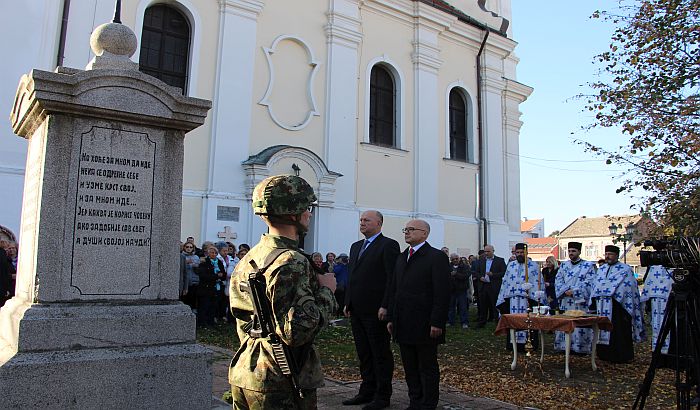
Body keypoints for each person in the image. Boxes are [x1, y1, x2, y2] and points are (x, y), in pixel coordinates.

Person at [229, 175, 337, 409]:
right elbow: (296, 332)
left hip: (247, 370)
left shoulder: (251, 257)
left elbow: (243, 319)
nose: (310, 213)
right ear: (293, 213)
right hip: (280, 378)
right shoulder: (291, 261)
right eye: (307, 207)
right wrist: (328, 291)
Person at [384, 219, 450, 410]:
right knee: (410, 366)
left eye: (412, 229)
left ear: (425, 234)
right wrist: (391, 317)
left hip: (425, 322)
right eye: (406, 229)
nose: (407, 232)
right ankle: (415, 401)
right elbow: (394, 288)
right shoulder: (402, 257)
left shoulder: (435, 257)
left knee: (426, 365)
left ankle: (428, 403)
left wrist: (437, 321)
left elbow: (442, 292)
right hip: (403, 321)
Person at [343, 210, 399, 410]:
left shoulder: (388, 245)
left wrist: (386, 305)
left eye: (366, 220)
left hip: (377, 310)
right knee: (364, 353)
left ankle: (382, 396)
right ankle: (366, 391)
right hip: (357, 309)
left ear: (379, 223)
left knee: (380, 353)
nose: (362, 223)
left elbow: (391, 278)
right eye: (361, 220)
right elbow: (353, 276)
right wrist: (348, 302)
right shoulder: (356, 246)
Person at [589, 245, 645, 363]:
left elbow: (628, 287)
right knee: (601, 328)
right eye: (606, 254)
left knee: (618, 330)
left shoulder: (625, 269)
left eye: (610, 254)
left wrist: (612, 292)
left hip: (618, 306)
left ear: (617, 255)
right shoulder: (602, 269)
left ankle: (620, 355)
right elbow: (596, 284)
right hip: (602, 304)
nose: (608, 256)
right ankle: (603, 354)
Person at [496, 243, 546, 348]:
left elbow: (538, 283)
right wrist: (504, 296)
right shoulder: (511, 265)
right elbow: (506, 282)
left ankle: (529, 344)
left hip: (528, 299)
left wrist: (531, 289)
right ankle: (513, 345)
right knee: (513, 320)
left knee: (529, 321)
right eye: (517, 252)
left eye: (521, 252)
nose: (519, 254)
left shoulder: (534, 266)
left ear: (526, 252)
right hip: (513, 299)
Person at [554, 242, 596, 353]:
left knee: (578, 324)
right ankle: (563, 347)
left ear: (579, 252)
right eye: (569, 251)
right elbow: (558, 280)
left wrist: (574, 291)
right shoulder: (564, 265)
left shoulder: (588, 266)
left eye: (574, 251)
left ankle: (580, 348)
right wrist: (564, 291)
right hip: (565, 300)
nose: (571, 253)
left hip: (579, 302)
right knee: (565, 322)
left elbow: (590, 283)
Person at [640, 264, 672, 353]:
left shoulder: (676, 267)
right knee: (656, 325)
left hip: (671, 302)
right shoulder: (653, 268)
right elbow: (647, 282)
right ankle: (658, 353)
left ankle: (669, 354)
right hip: (655, 303)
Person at [474, 245, 507, 328]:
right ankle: (481, 322)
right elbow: (476, 272)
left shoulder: (500, 260)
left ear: (493, 251)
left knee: (495, 305)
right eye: (485, 251)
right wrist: (480, 277)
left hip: (494, 286)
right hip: (483, 286)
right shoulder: (481, 260)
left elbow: (504, 272)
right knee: (482, 305)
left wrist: (493, 275)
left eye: (488, 251)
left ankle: (498, 323)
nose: (486, 253)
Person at [197, 246, 225, 327]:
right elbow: (203, 275)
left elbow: (223, 273)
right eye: (212, 252)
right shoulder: (204, 262)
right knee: (204, 306)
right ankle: (202, 323)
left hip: (216, 288)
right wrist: (216, 276)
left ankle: (211, 322)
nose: (214, 254)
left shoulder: (219, 262)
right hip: (206, 288)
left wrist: (221, 275)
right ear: (208, 253)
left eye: (215, 253)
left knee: (213, 306)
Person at [447, 253, 471, 329]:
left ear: (459, 258)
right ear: (451, 260)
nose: (455, 260)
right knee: (451, 307)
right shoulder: (448, 267)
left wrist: (456, 274)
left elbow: (466, 276)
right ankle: (450, 322)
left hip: (462, 290)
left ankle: (464, 322)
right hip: (451, 290)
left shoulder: (465, 266)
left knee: (463, 307)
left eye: (456, 258)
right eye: (453, 259)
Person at [216, 241, 236, 323]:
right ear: (219, 251)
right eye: (224, 251)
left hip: (228, 282)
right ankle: (218, 316)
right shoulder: (217, 258)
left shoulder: (230, 259)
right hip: (219, 282)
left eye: (227, 250)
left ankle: (224, 316)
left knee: (225, 301)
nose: (226, 252)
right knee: (219, 300)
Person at [181, 242, 200, 310]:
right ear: (184, 248)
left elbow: (198, 268)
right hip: (185, 282)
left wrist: (195, 265)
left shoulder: (196, 257)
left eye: (190, 247)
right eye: (187, 247)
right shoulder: (181, 256)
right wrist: (186, 262)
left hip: (194, 280)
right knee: (184, 299)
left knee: (193, 299)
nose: (189, 248)